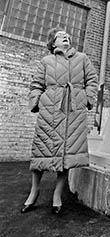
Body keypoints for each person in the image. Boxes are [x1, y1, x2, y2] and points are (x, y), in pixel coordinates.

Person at [21, 27, 98, 214]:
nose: (66, 38)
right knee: (42, 150)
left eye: (68, 37)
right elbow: (36, 84)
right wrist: (37, 102)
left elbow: (92, 80)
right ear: (52, 42)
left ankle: (57, 194)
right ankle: (34, 191)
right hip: (50, 109)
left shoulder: (82, 58)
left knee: (67, 153)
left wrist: (85, 100)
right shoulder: (46, 61)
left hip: (73, 110)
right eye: (61, 37)